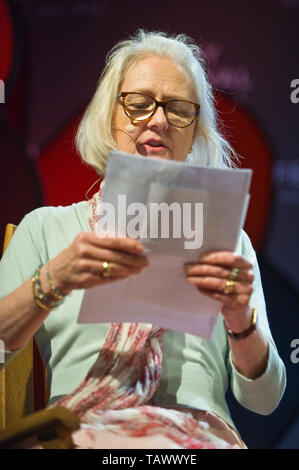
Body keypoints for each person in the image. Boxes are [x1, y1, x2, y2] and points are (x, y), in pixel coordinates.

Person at [0, 30, 286, 449]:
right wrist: (53, 280)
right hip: (80, 433)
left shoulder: (226, 239)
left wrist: (241, 319)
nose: (157, 120)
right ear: (109, 119)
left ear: (194, 136)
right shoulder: (47, 229)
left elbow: (264, 401)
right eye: (138, 104)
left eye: (178, 109)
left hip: (197, 439)